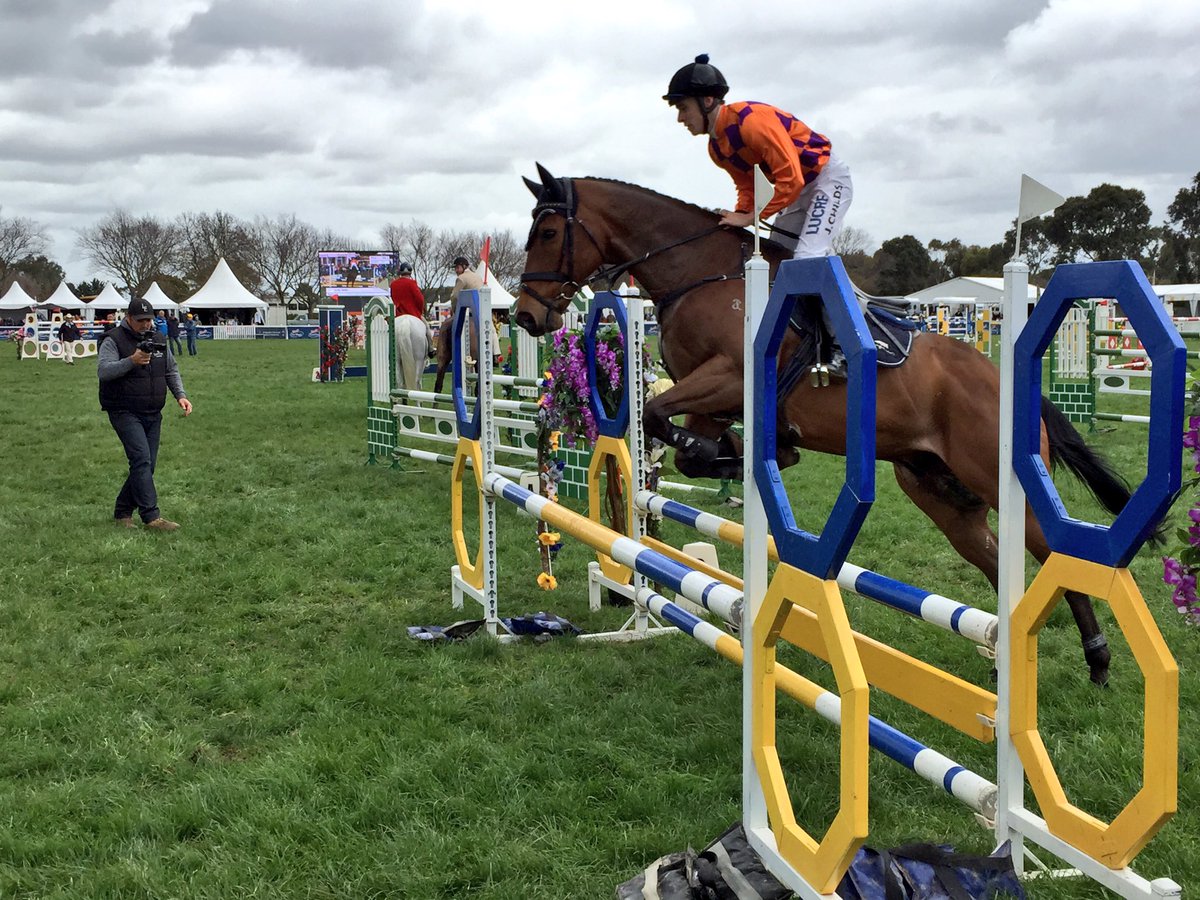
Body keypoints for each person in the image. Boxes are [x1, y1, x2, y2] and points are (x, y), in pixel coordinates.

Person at [664, 53, 855, 377]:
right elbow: (748, 187)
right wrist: (738, 216)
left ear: (707, 101)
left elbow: (791, 178)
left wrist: (749, 217)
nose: (681, 118)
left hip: (825, 180)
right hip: (797, 190)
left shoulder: (751, 123)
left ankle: (846, 346)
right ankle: (803, 340)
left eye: (683, 108)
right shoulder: (716, 148)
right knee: (776, 259)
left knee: (807, 258)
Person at [97, 297, 193, 531]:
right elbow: (104, 371)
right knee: (141, 460)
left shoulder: (158, 338)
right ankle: (151, 517)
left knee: (147, 465)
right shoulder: (113, 339)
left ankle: (122, 512)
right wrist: (132, 361)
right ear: (128, 318)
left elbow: (170, 369)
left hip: (153, 410)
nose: (146, 324)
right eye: (140, 320)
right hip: (123, 409)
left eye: (148, 319)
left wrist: (180, 395)